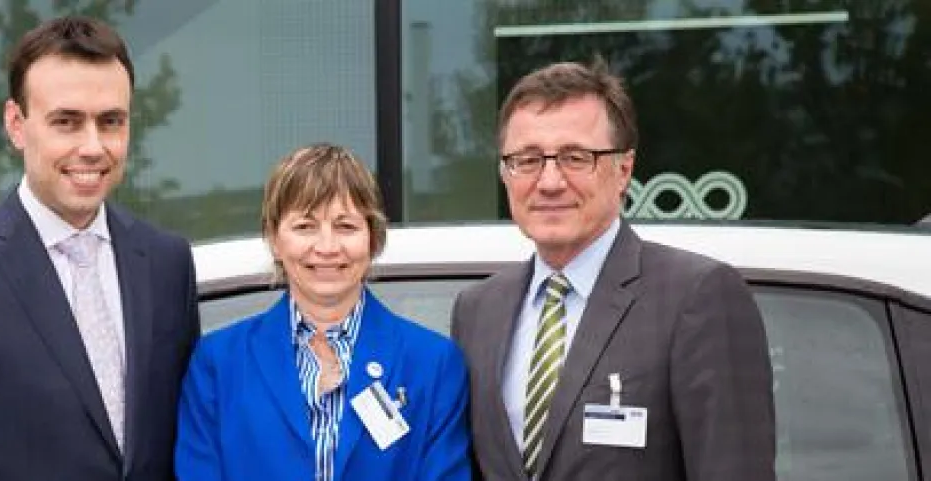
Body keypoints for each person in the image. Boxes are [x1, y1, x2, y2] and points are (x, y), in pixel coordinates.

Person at [0, 16, 200, 481]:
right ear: (16, 124)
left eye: (111, 122)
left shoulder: (167, 263)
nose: (93, 147)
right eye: (66, 122)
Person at [450, 59, 775, 481]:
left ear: (624, 170)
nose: (549, 182)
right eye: (527, 160)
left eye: (575, 157)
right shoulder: (477, 310)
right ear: (505, 175)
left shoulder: (699, 297)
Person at [175, 143, 472, 481]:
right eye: (305, 226)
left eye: (346, 226)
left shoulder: (434, 364)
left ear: (372, 238)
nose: (327, 247)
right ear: (274, 238)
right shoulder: (217, 363)